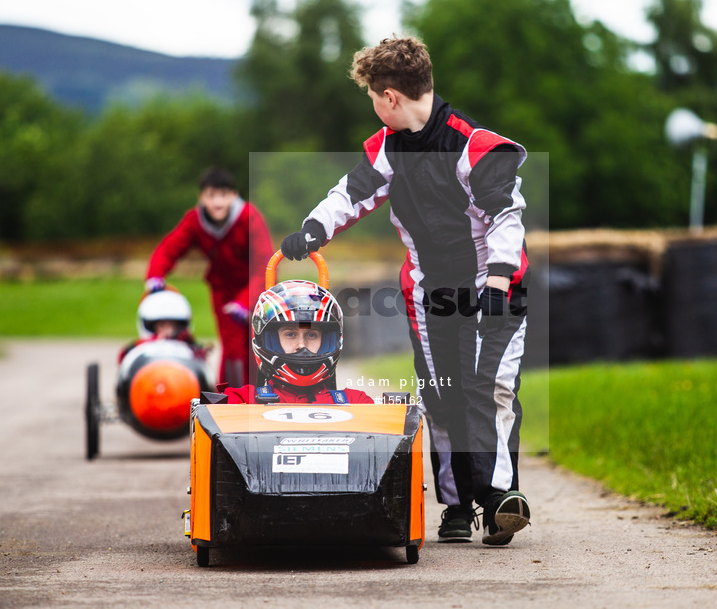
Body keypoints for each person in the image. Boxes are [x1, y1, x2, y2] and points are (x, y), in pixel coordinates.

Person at [279, 36, 530, 545]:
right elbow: (349, 193)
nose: (373, 107)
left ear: (390, 96)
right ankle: (459, 507)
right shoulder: (388, 150)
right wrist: (312, 229)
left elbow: (507, 216)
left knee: (490, 389)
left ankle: (501, 497)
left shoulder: (473, 146)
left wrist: (500, 282)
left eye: (373, 97)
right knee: (443, 398)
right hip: (427, 293)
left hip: (491, 287)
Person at [145, 166, 273, 387]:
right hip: (223, 291)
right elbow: (169, 248)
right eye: (211, 196)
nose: (217, 202)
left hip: (257, 290)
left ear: (234, 195)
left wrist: (246, 302)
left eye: (223, 195)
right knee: (233, 349)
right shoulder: (195, 220)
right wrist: (155, 275)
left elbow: (264, 265)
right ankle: (233, 399)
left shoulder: (249, 218)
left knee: (260, 345)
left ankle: (263, 394)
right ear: (201, 197)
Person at [223, 279, 373, 405]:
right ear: (269, 340)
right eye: (290, 334)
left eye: (312, 335)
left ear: (328, 340)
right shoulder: (242, 400)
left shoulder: (356, 402)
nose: (302, 345)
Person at [118, 289, 207, 363]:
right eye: (162, 324)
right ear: (153, 326)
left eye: (172, 324)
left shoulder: (188, 343)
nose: (167, 328)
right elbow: (124, 357)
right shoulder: (143, 344)